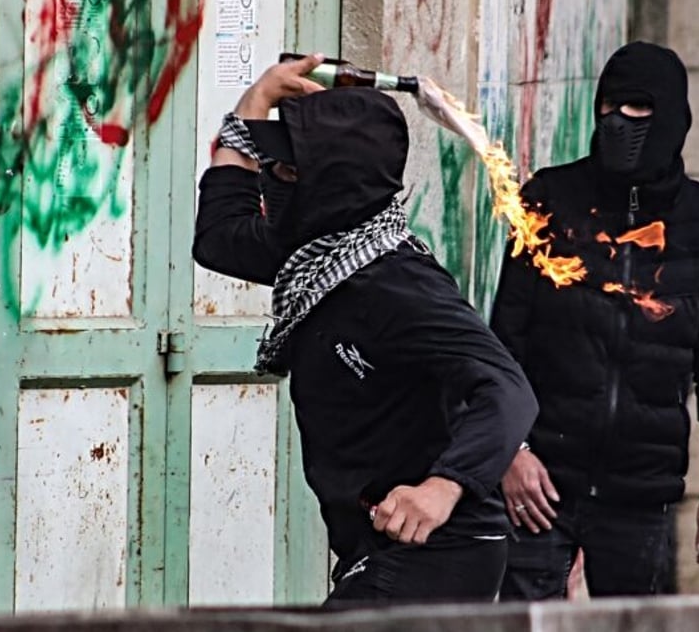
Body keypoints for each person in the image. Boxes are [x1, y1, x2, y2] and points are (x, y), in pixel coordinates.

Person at [192, 54, 538, 605]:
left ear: (333, 184)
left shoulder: (399, 286)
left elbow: (508, 390)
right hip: (371, 547)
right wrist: (254, 101)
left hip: (442, 550)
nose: (270, 179)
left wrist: (442, 488)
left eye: (287, 171)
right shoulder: (316, 254)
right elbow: (217, 235)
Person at [491, 41, 699, 599]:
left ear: (673, 116)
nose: (618, 122)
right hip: (540, 486)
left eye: (638, 109)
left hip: (641, 493)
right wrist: (513, 453)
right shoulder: (548, 200)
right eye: (608, 107)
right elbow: (501, 344)